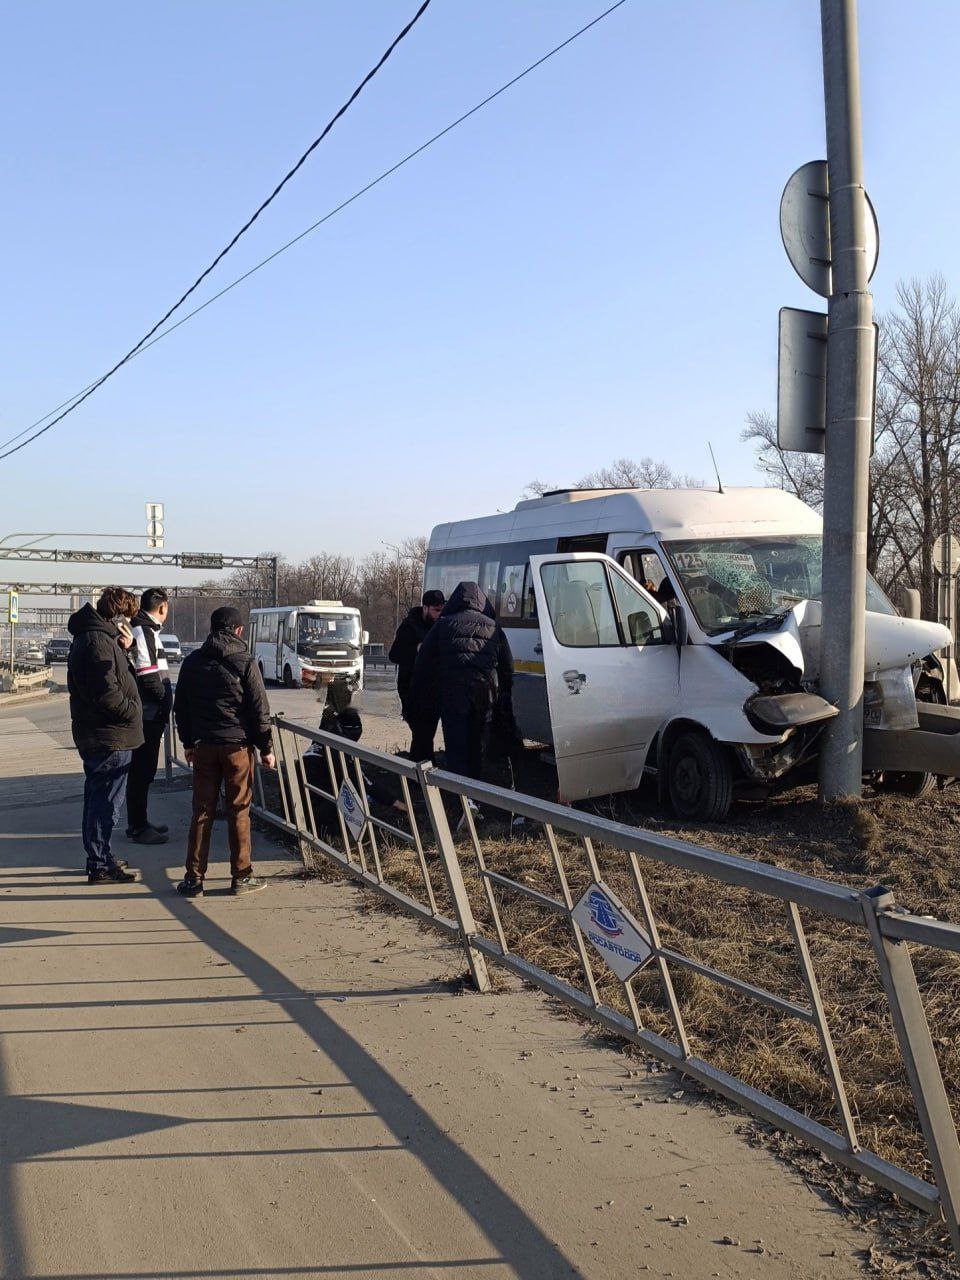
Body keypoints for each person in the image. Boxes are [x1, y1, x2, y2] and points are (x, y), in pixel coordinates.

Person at [173, 606, 275, 898]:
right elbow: (259, 710)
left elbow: (181, 708)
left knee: (202, 811)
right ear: (239, 630)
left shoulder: (192, 662)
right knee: (239, 810)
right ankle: (241, 876)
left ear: (211, 629)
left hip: (204, 747)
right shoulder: (245, 661)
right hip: (237, 748)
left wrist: (188, 743)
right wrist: (266, 748)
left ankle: (193, 879)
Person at [67, 587, 144, 885]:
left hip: (101, 733)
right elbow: (107, 693)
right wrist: (133, 711)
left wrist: (124, 648)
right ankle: (99, 864)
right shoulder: (98, 642)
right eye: (127, 618)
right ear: (118, 615)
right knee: (106, 804)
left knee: (98, 799)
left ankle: (100, 856)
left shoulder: (96, 637)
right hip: (109, 736)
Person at [412, 581, 514, 785]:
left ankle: (460, 797)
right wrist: (504, 694)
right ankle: (474, 791)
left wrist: (424, 692)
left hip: (451, 694)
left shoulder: (443, 624)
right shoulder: (493, 627)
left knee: (456, 745)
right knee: (475, 745)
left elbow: (423, 660)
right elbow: (507, 666)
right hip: (482, 695)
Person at [126, 587, 173, 844]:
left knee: (143, 771)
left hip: (150, 712)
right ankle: (138, 826)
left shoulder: (147, 630)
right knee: (142, 770)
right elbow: (147, 675)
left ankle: (140, 821)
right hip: (148, 713)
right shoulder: (143, 631)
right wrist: (165, 702)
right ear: (162, 607)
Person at [388, 589, 445, 761]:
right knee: (422, 735)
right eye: (436, 610)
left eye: (441, 610)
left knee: (426, 736)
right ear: (425, 608)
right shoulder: (409, 626)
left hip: (433, 689)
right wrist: (417, 649)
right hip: (411, 689)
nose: (439, 614)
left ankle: (420, 772)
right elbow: (394, 655)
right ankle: (424, 773)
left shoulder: (439, 627)